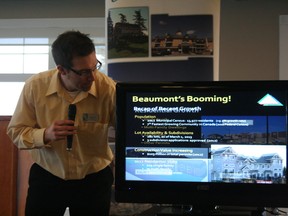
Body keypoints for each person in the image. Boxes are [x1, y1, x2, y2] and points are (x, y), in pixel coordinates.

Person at [7, 30, 116, 216]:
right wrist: (45, 135)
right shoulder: (35, 87)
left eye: (95, 67)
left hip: (94, 179)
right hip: (48, 176)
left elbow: (127, 129)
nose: (92, 77)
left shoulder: (108, 88)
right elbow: (16, 132)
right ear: (62, 69)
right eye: (83, 72)